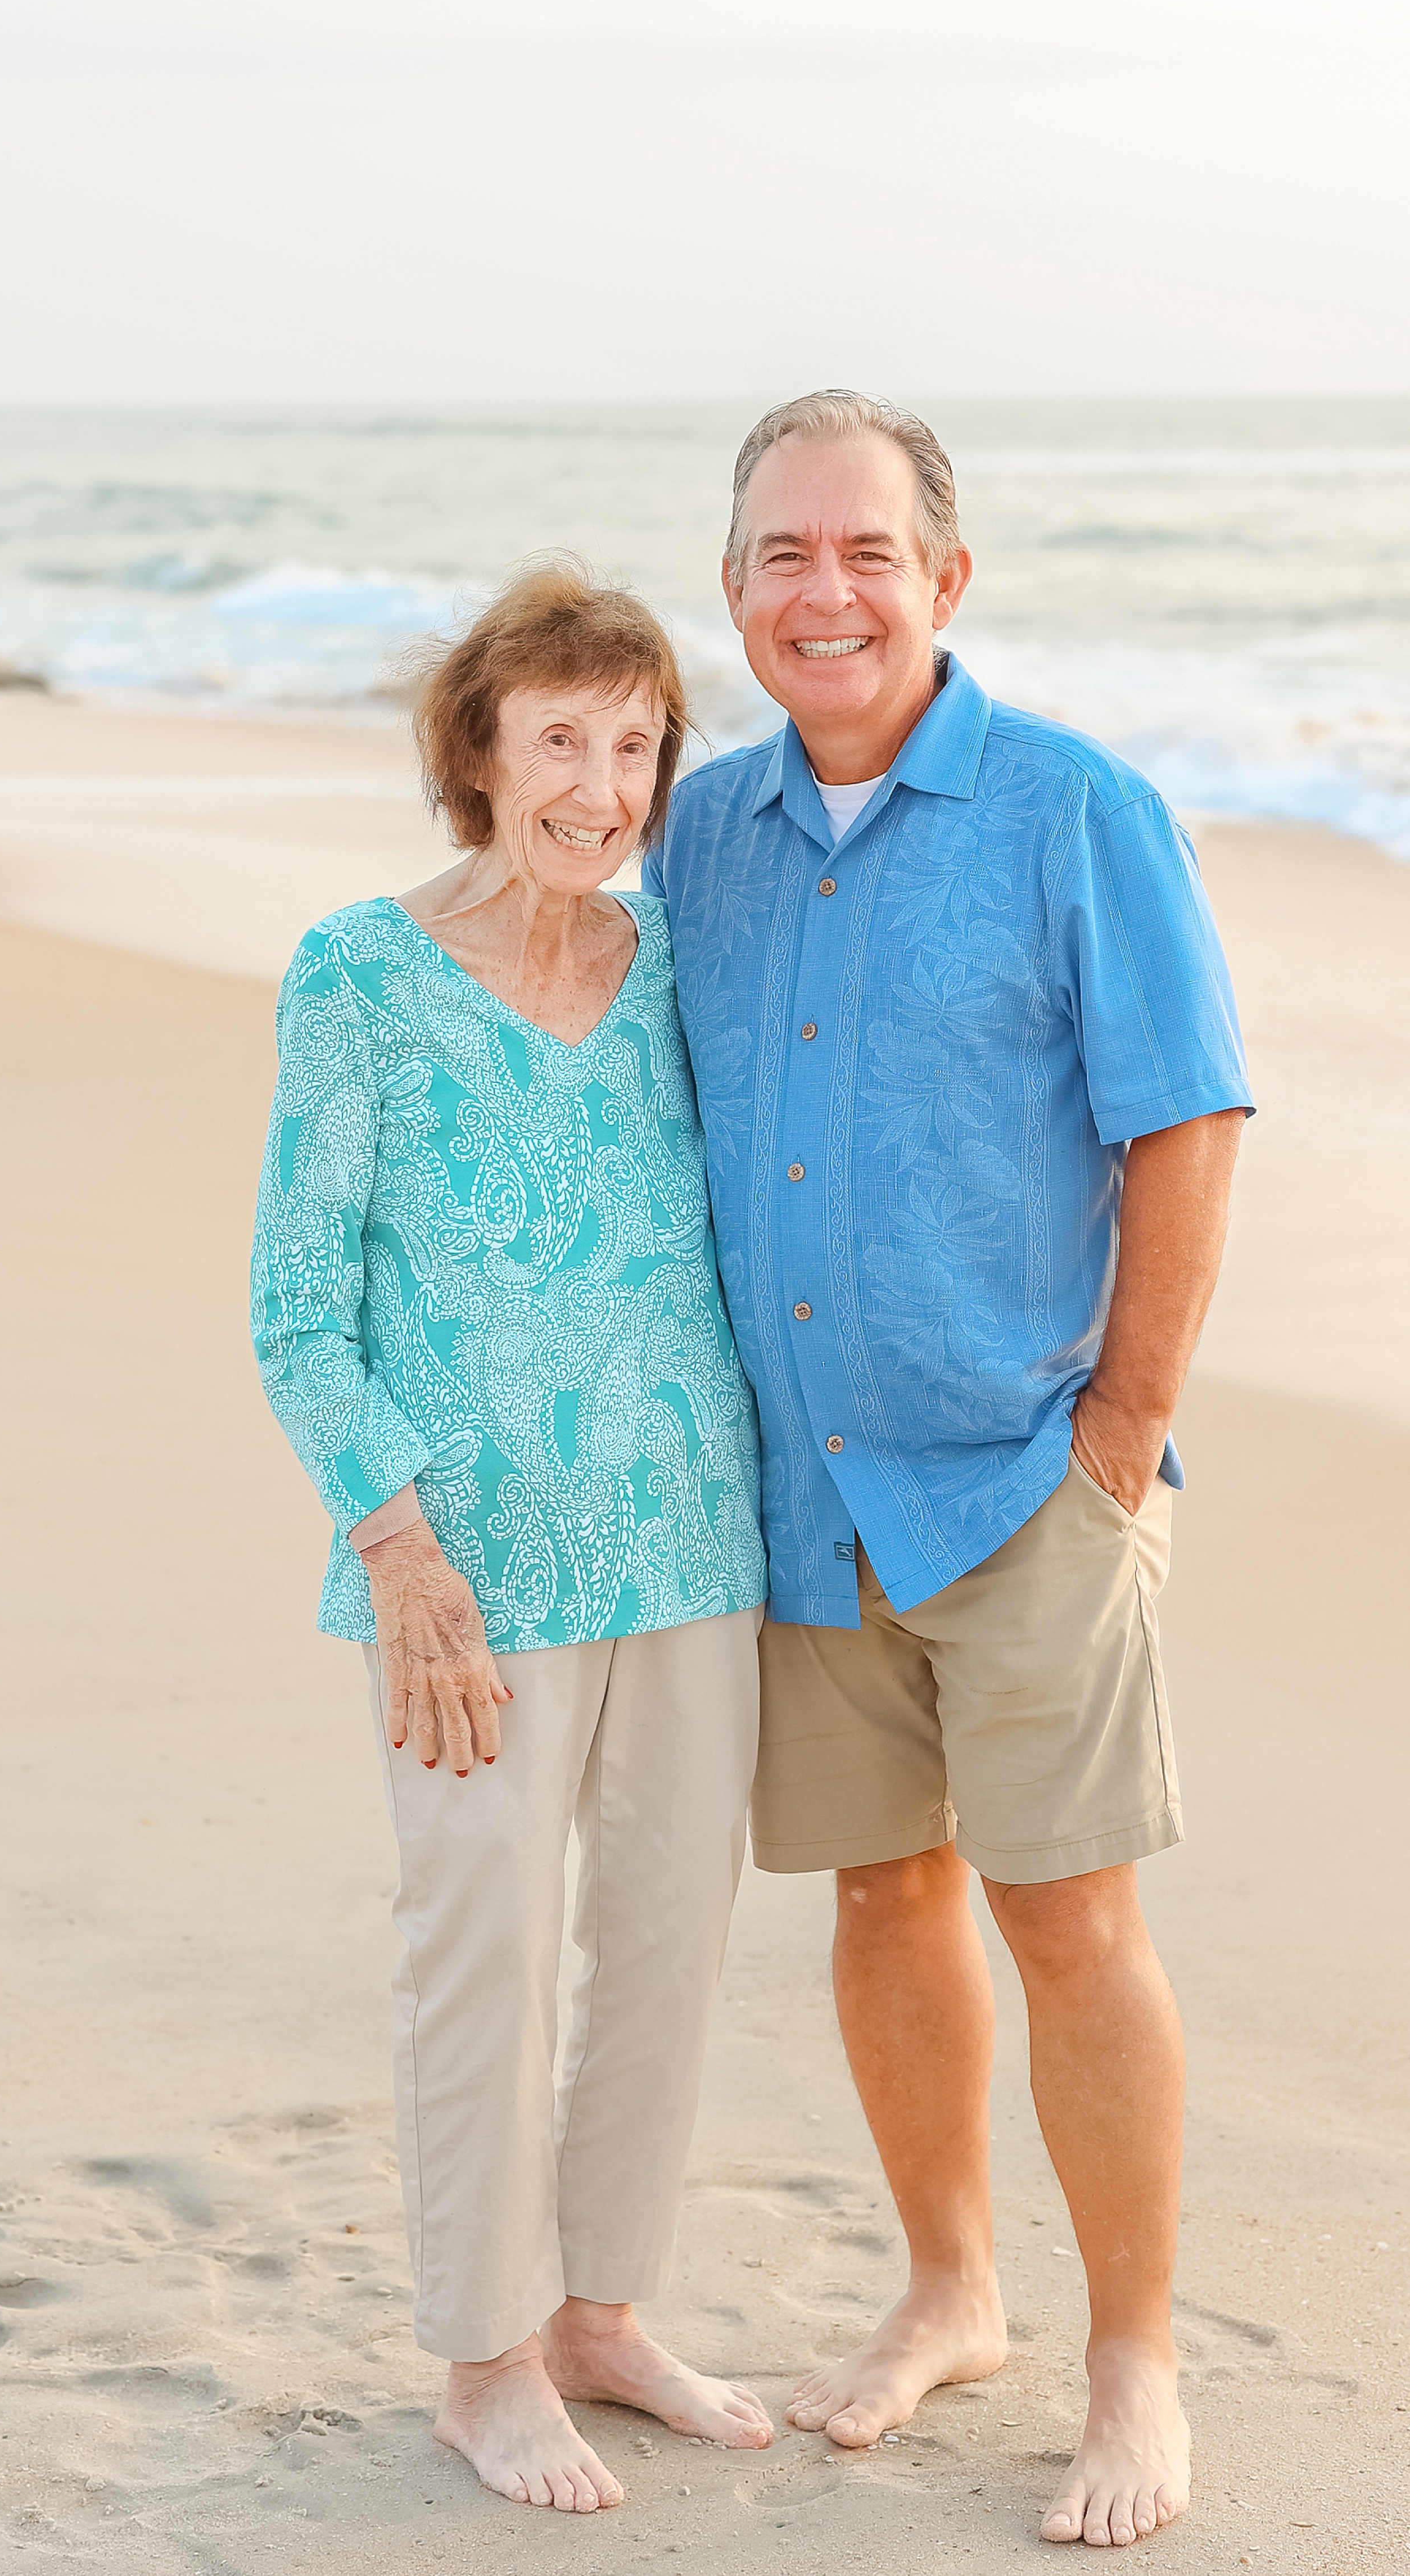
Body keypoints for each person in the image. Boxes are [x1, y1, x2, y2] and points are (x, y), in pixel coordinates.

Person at [643, 391, 1252, 2552]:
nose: (826, 591)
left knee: (1068, 1918)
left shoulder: (1073, 812)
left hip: (1017, 1475)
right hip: (793, 1491)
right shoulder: (696, 835)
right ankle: (948, 2291)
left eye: (866, 553)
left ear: (944, 581)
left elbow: (1184, 1121)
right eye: (782, 557)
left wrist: (1114, 1432)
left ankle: (1130, 2360)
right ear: (732, 597)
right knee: (886, 1893)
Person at [250, 563, 772, 2513]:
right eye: (560, 737)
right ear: (475, 752)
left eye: (634, 745)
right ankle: (484, 2358)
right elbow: (298, 1308)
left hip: (690, 1542)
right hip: (464, 1577)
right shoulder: (357, 976)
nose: (601, 782)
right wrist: (397, 1556)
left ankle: (600, 2315)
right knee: (480, 1945)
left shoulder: (672, 977)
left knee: (662, 1943)